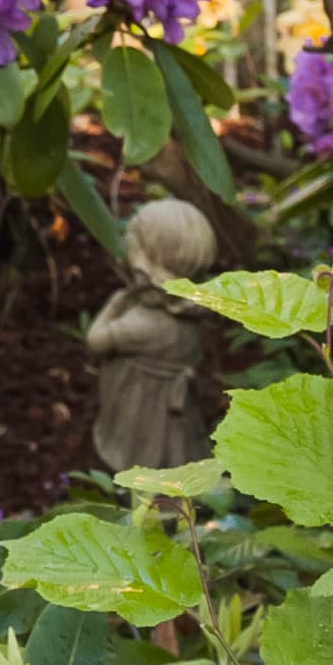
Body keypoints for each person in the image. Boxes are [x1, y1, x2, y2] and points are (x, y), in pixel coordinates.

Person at [87, 196, 218, 471]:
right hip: (176, 399)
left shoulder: (142, 325)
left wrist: (114, 304)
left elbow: (95, 342)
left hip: (139, 401)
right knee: (175, 441)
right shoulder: (192, 313)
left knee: (143, 448)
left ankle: (139, 480)